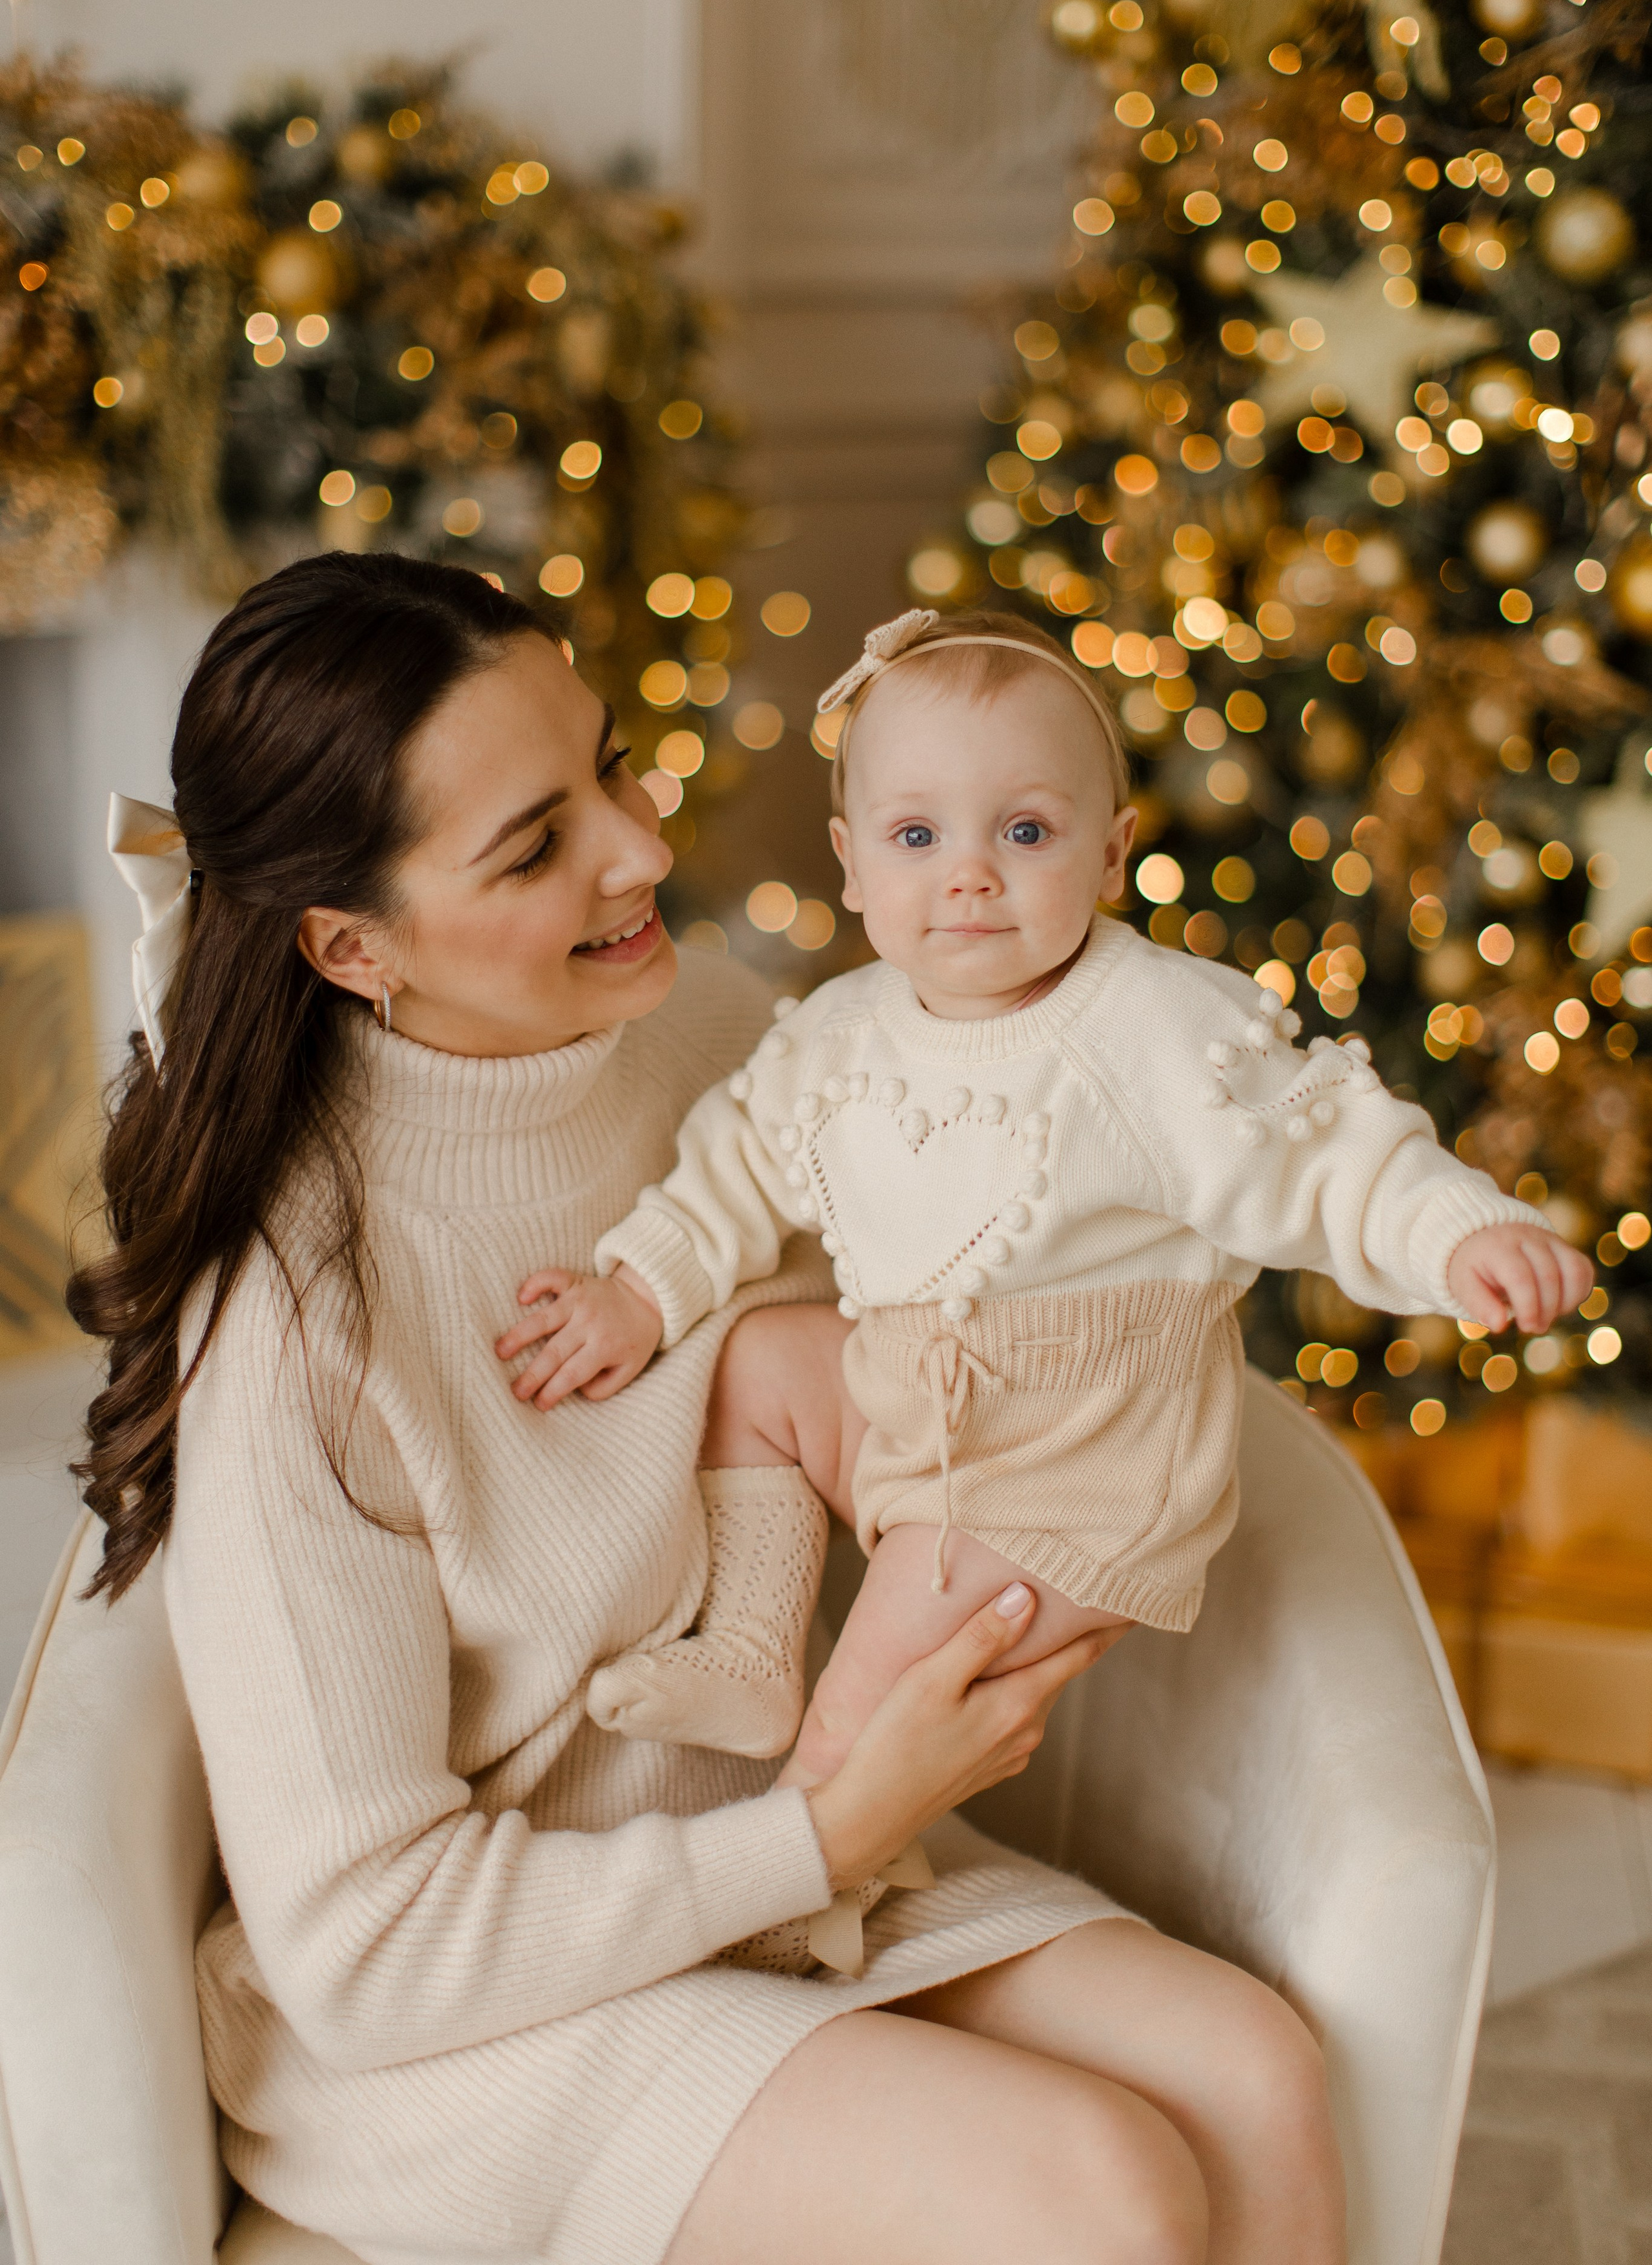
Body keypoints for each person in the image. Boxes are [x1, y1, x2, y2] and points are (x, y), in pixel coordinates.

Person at [70, 557, 1345, 2265]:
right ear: (350, 945)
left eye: (612, 764)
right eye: (536, 845)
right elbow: (363, 1950)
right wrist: (828, 1825)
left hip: (770, 1856)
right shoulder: (299, 1320)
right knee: (1096, 2188)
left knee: (1254, 2075)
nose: (642, 850)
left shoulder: (719, 1038)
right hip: (478, 2019)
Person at [501, 606, 1591, 1973]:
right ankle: (750, 1645)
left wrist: (1457, 1234)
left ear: (1111, 847)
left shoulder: (1153, 1032)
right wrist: (639, 1298)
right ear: (851, 862)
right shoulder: (838, 1036)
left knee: (883, 1680)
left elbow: (1327, 1152)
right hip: (922, 1417)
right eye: (916, 838)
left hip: (1071, 1466)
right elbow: (728, 1175)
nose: (968, 878)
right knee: (757, 1362)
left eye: (1022, 833)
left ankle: (803, 1902)